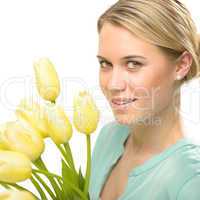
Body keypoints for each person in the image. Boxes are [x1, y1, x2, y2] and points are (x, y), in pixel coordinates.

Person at [89, 0, 200, 199]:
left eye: (133, 64)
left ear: (181, 65)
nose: (113, 84)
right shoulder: (108, 137)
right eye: (105, 63)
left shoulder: (190, 178)